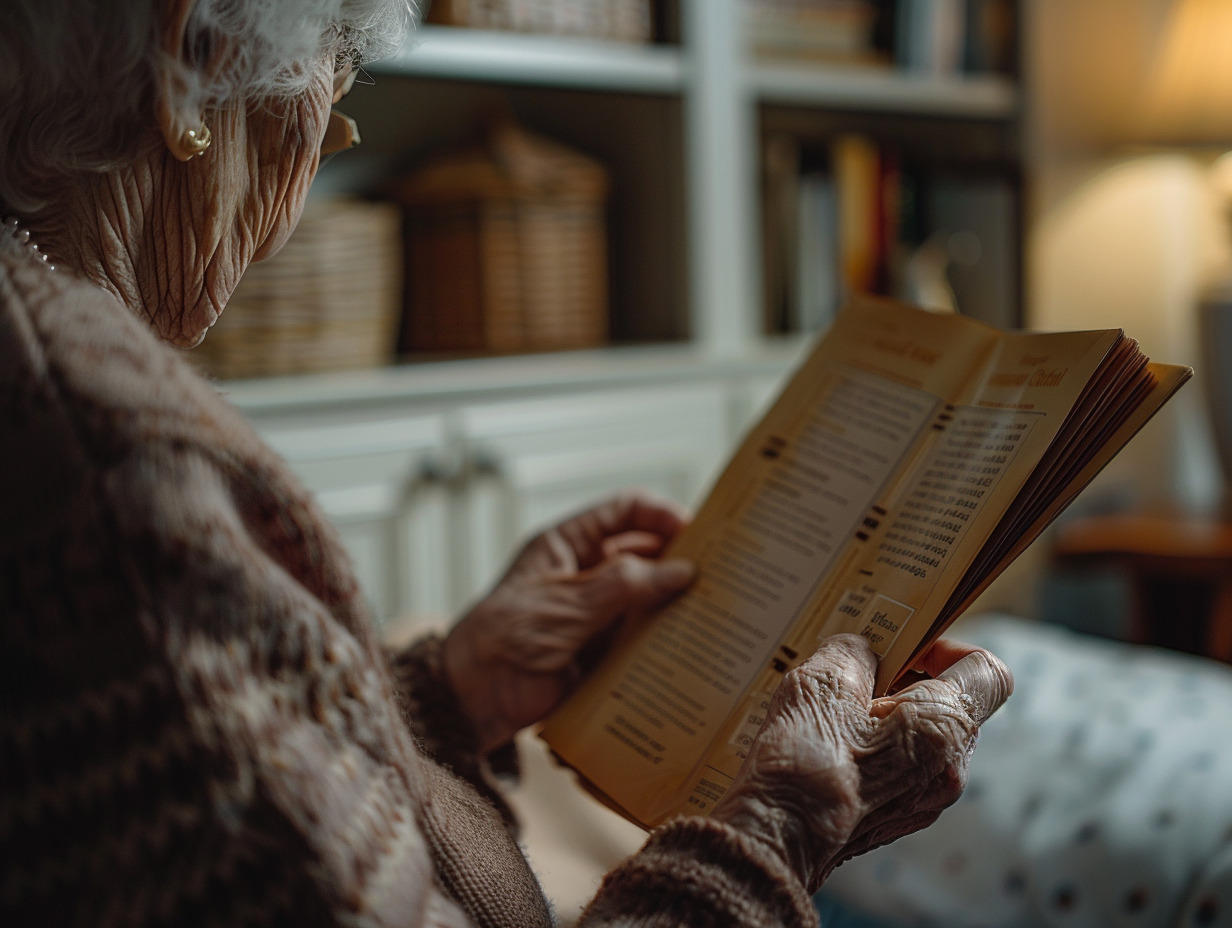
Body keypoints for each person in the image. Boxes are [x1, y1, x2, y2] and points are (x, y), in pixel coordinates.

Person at [0, 2, 1014, 926]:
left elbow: (235, 804)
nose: (311, 168)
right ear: (189, 60)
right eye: (330, 97)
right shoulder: (103, 470)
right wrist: (792, 818)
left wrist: (444, 692)